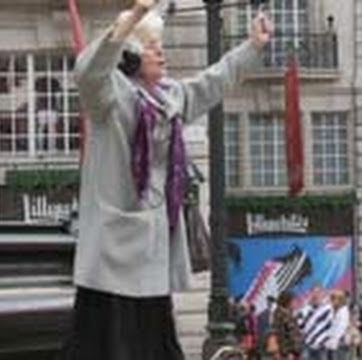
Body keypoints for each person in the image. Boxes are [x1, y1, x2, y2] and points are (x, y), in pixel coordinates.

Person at [59, 0, 273, 359]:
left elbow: (213, 81)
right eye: (152, 47)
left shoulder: (170, 99)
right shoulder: (110, 98)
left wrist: (253, 47)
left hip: (152, 251)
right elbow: (88, 71)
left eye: (161, 45)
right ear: (131, 55)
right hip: (113, 252)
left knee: (156, 345)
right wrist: (130, 21)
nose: (161, 52)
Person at [297, 285, 334, 360]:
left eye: (318, 292)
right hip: (307, 345)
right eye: (313, 292)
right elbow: (299, 325)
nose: (316, 294)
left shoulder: (328, 309)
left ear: (322, 294)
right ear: (310, 293)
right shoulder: (304, 309)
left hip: (322, 346)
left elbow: (332, 326)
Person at [271, 291, 302, 360]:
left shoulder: (289, 313)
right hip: (287, 354)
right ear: (287, 301)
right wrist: (288, 353)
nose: (296, 302)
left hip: (295, 352)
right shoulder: (279, 314)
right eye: (294, 300)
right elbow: (279, 335)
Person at [325, 290, 350, 360]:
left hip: (339, 343)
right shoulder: (334, 310)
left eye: (333, 299)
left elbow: (341, 328)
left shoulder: (343, 311)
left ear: (340, 300)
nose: (332, 301)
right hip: (331, 343)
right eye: (332, 299)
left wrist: (334, 341)